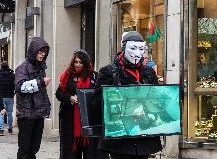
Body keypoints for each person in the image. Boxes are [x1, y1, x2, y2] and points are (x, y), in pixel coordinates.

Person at [93, 31, 162, 159]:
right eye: (133, 48)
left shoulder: (148, 73)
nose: (137, 53)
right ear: (124, 47)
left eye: (141, 49)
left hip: (143, 137)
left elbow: (156, 100)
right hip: (120, 140)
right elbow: (96, 103)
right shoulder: (109, 71)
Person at [56, 49, 99, 159]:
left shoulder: (94, 76)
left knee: (91, 152)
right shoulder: (67, 76)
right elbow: (59, 93)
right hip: (69, 120)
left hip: (88, 120)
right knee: (70, 153)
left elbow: (99, 95)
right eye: (76, 62)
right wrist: (70, 98)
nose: (78, 65)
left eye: (81, 62)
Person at [15, 37, 51, 159]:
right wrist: (40, 82)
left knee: (34, 148)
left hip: (38, 113)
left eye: (44, 52)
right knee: (25, 148)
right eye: (40, 52)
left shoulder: (40, 67)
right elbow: (20, 87)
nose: (43, 54)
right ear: (33, 52)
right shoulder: (23, 67)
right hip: (26, 114)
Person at [0, 61, 15, 135]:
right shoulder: (12, 75)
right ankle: (10, 128)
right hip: (10, 96)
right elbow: (15, 84)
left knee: (1, 113)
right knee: (9, 113)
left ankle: (1, 129)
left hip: (1, 96)